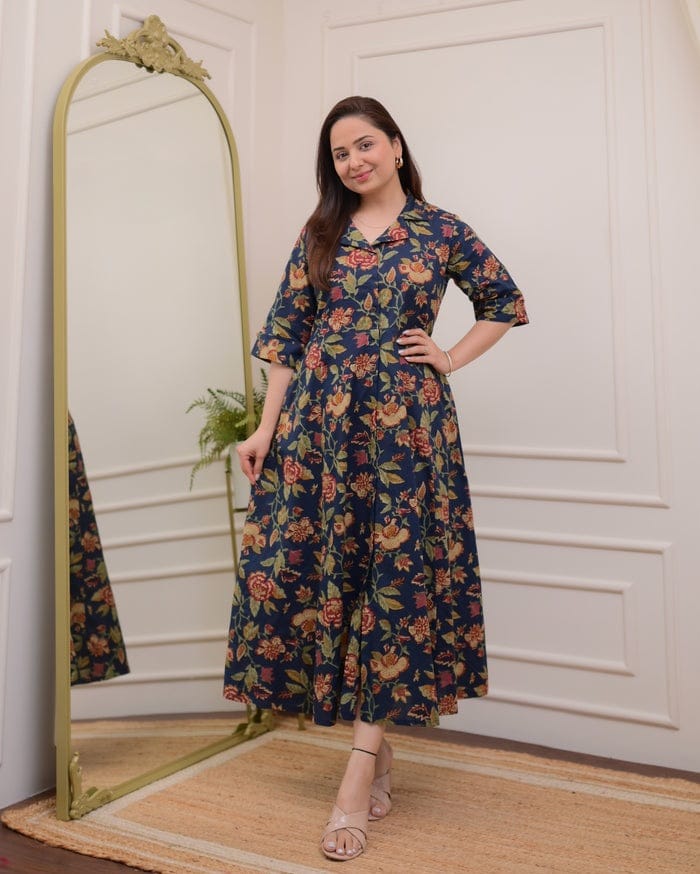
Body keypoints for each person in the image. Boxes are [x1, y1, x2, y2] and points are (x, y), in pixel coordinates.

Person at [223, 95, 528, 861]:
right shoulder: (320, 233)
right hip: (319, 431)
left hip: (405, 434)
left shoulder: (440, 230)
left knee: (394, 582)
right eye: (339, 153)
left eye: (364, 145)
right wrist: (264, 428)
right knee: (321, 579)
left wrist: (449, 357)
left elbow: (503, 301)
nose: (354, 161)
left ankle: (356, 779)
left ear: (395, 145)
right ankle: (378, 752)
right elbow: (286, 338)